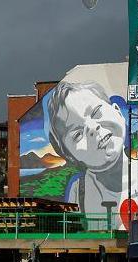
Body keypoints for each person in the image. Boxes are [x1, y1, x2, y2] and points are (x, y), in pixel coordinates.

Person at [47, 81, 128, 218]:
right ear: (71, 156)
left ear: (117, 112)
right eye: (77, 134)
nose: (92, 127)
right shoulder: (78, 192)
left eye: (96, 112)